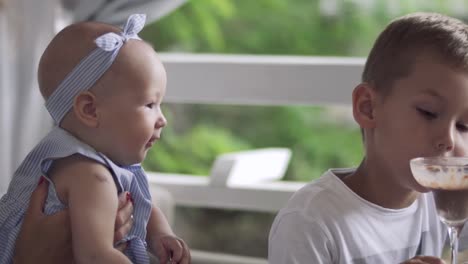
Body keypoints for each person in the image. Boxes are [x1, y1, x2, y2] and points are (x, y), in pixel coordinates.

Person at [269, 12, 468, 264]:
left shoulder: (444, 204)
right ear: (368, 108)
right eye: (428, 113)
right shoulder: (310, 223)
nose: (448, 140)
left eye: (464, 126)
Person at [0, 14, 190, 264]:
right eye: (150, 104)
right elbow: (95, 256)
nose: (162, 119)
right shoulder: (90, 176)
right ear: (90, 110)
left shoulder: (97, 163)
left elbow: (143, 204)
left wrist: (161, 235)